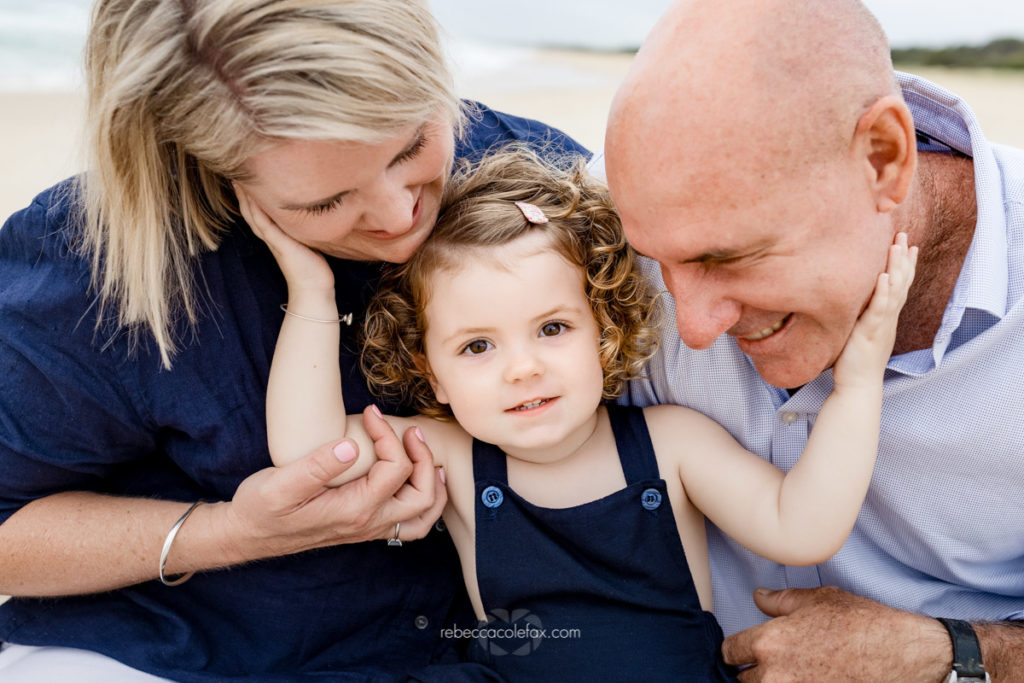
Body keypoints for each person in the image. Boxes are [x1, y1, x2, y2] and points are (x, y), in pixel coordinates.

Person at [0, 1, 588, 680]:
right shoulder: (89, 265)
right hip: (171, 654)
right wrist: (230, 533)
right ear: (206, 164)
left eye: (410, 146)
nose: (401, 215)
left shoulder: (535, 185)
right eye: (325, 202)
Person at [246, 147, 915, 682]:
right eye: (477, 346)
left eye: (552, 328)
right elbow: (310, 452)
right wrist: (312, 293)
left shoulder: (671, 442)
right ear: (433, 375)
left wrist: (856, 383)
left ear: (603, 330)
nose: (522, 367)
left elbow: (803, 527)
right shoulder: (450, 451)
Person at [600, 0, 1024, 679]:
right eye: (661, 262)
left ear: (884, 157)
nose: (693, 328)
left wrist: (952, 654)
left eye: (725, 258)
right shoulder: (626, 242)